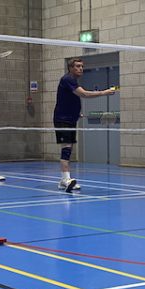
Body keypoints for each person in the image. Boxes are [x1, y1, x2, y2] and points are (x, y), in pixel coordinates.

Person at [53, 57, 116, 193]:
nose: (80, 68)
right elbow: (84, 94)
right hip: (62, 119)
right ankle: (65, 180)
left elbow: (70, 99)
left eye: (82, 66)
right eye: (77, 66)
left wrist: (77, 112)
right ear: (71, 68)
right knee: (67, 148)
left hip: (70, 119)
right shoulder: (67, 79)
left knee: (68, 148)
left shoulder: (73, 81)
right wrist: (104, 92)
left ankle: (64, 180)